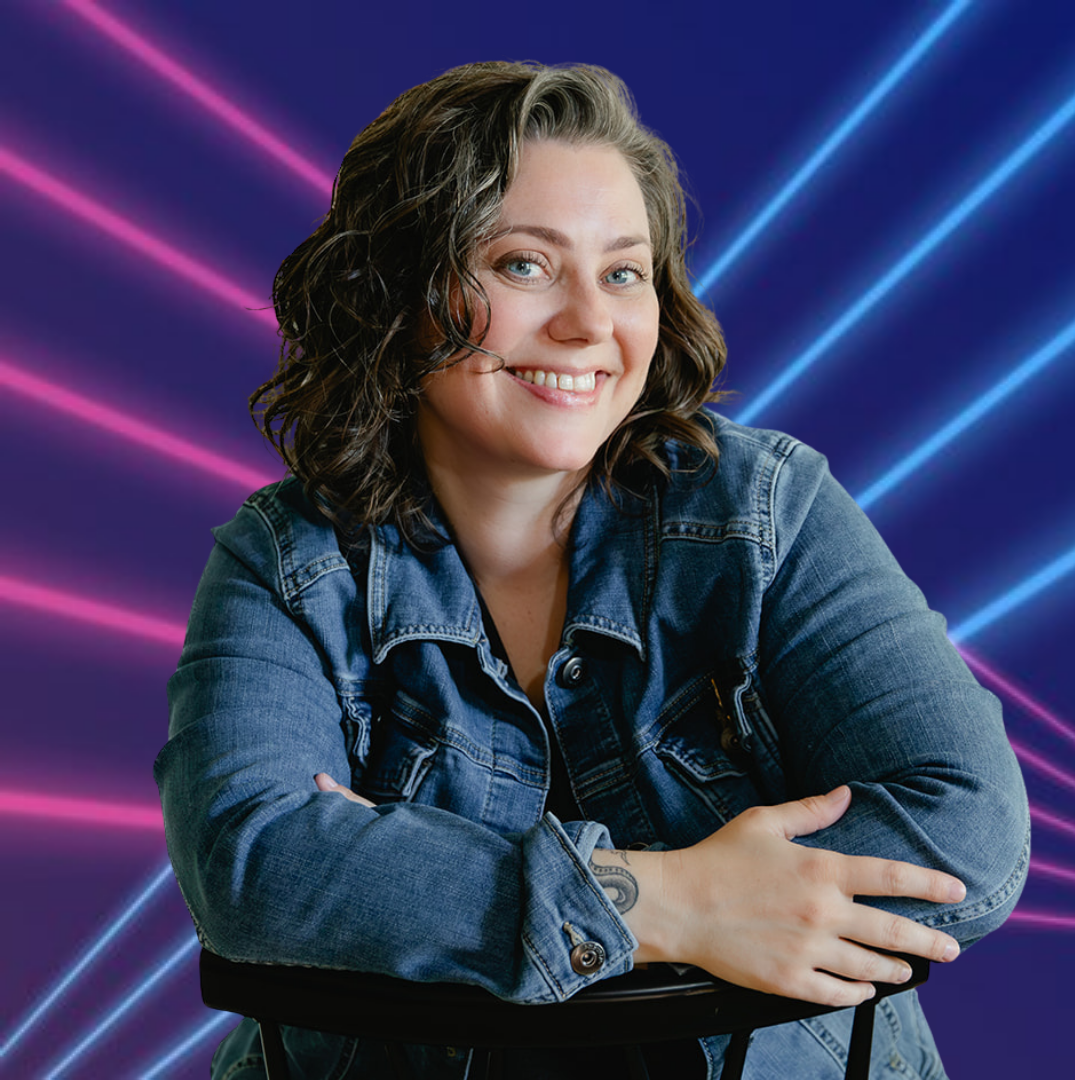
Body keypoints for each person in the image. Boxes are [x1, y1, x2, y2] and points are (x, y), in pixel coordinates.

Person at [154, 62, 1029, 1079]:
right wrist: (680, 903)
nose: (587, 325)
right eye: (524, 265)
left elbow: (968, 829)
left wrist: (396, 877)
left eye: (623, 272)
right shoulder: (286, 560)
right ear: (395, 290)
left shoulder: (766, 511)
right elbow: (250, 866)